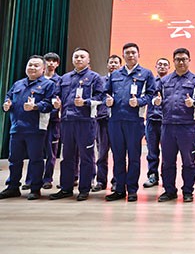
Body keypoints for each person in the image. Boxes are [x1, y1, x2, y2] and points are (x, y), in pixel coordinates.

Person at [49, 48, 105, 201]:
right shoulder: (65, 78)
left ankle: (84, 189)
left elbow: (101, 98)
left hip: (85, 122)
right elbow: (55, 95)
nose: (79, 59)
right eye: (76, 57)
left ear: (88, 60)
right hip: (67, 121)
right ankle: (66, 188)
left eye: (82, 57)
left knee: (86, 156)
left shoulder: (95, 78)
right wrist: (56, 102)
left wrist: (86, 102)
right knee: (67, 156)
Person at [104, 42, 156, 202]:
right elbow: (105, 93)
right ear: (123, 55)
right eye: (127, 53)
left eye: (133, 52)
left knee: (134, 157)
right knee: (118, 156)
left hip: (134, 121)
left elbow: (151, 95)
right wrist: (108, 100)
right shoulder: (115, 74)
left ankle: (132, 190)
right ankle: (119, 189)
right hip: (115, 120)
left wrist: (139, 102)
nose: (130, 55)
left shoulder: (146, 74)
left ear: (138, 55)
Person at [154, 48, 195, 202]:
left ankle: (188, 191)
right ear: (174, 61)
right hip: (167, 125)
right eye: (178, 59)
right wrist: (156, 101)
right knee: (167, 161)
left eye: (184, 59)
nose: (181, 62)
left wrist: (194, 102)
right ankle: (169, 191)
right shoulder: (164, 80)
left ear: (189, 61)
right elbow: (155, 96)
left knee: (188, 161)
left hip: (187, 126)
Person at [0, 55, 55, 200]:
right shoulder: (18, 84)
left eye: (36, 65)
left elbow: (50, 105)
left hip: (36, 129)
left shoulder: (48, 85)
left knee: (36, 160)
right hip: (17, 128)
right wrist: (7, 104)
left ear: (43, 69)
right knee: (14, 159)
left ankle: (35, 188)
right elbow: (8, 97)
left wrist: (35, 106)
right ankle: (12, 187)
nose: (32, 68)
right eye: (30, 65)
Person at [22, 52, 61, 191]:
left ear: (57, 64)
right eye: (48, 60)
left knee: (51, 151)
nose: (51, 63)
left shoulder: (60, 80)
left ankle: (47, 179)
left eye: (53, 61)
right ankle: (30, 180)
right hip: (36, 120)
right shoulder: (34, 80)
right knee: (34, 152)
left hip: (53, 120)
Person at [92, 54, 121, 192]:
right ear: (107, 65)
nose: (113, 65)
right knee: (102, 153)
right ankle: (100, 181)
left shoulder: (123, 81)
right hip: (102, 119)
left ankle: (117, 181)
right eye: (111, 62)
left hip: (118, 121)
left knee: (118, 153)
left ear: (120, 65)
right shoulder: (100, 81)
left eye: (116, 62)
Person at [142, 57, 170, 188]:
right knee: (152, 151)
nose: (162, 67)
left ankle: (167, 176)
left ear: (169, 68)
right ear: (156, 67)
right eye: (160, 64)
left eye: (165, 65)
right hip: (152, 120)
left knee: (168, 151)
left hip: (166, 121)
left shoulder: (171, 82)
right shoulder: (150, 82)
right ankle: (152, 175)